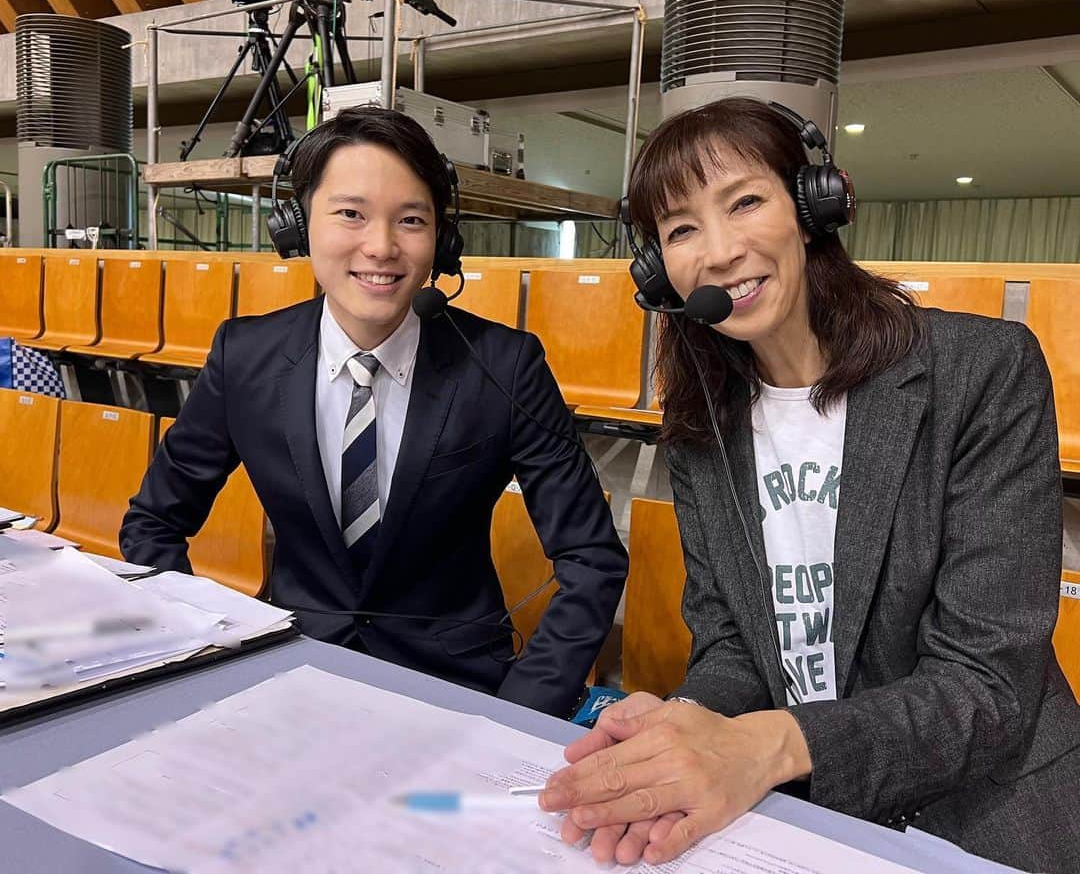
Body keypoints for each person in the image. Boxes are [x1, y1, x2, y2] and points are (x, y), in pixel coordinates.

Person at [538, 97, 1080, 872]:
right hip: (805, 809)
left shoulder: (982, 373)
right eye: (683, 229)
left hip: (987, 813)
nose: (720, 252)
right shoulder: (702, 425)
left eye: (746, 202)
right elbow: (734, 640)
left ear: (811, 207)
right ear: (661, 271)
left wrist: (764, 746)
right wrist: (687, 721)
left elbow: (986, 686)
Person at [120, 106, 627, 718]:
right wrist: (207, 650)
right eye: (350, 214)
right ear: (298, 224)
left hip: (458, 688)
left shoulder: (504, 364)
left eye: (411, 220)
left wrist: (520, 710)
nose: (381, 247)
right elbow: (153, 524)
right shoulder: (244, 355)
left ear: (442, 238)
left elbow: (592, 558)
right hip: (293, 673)